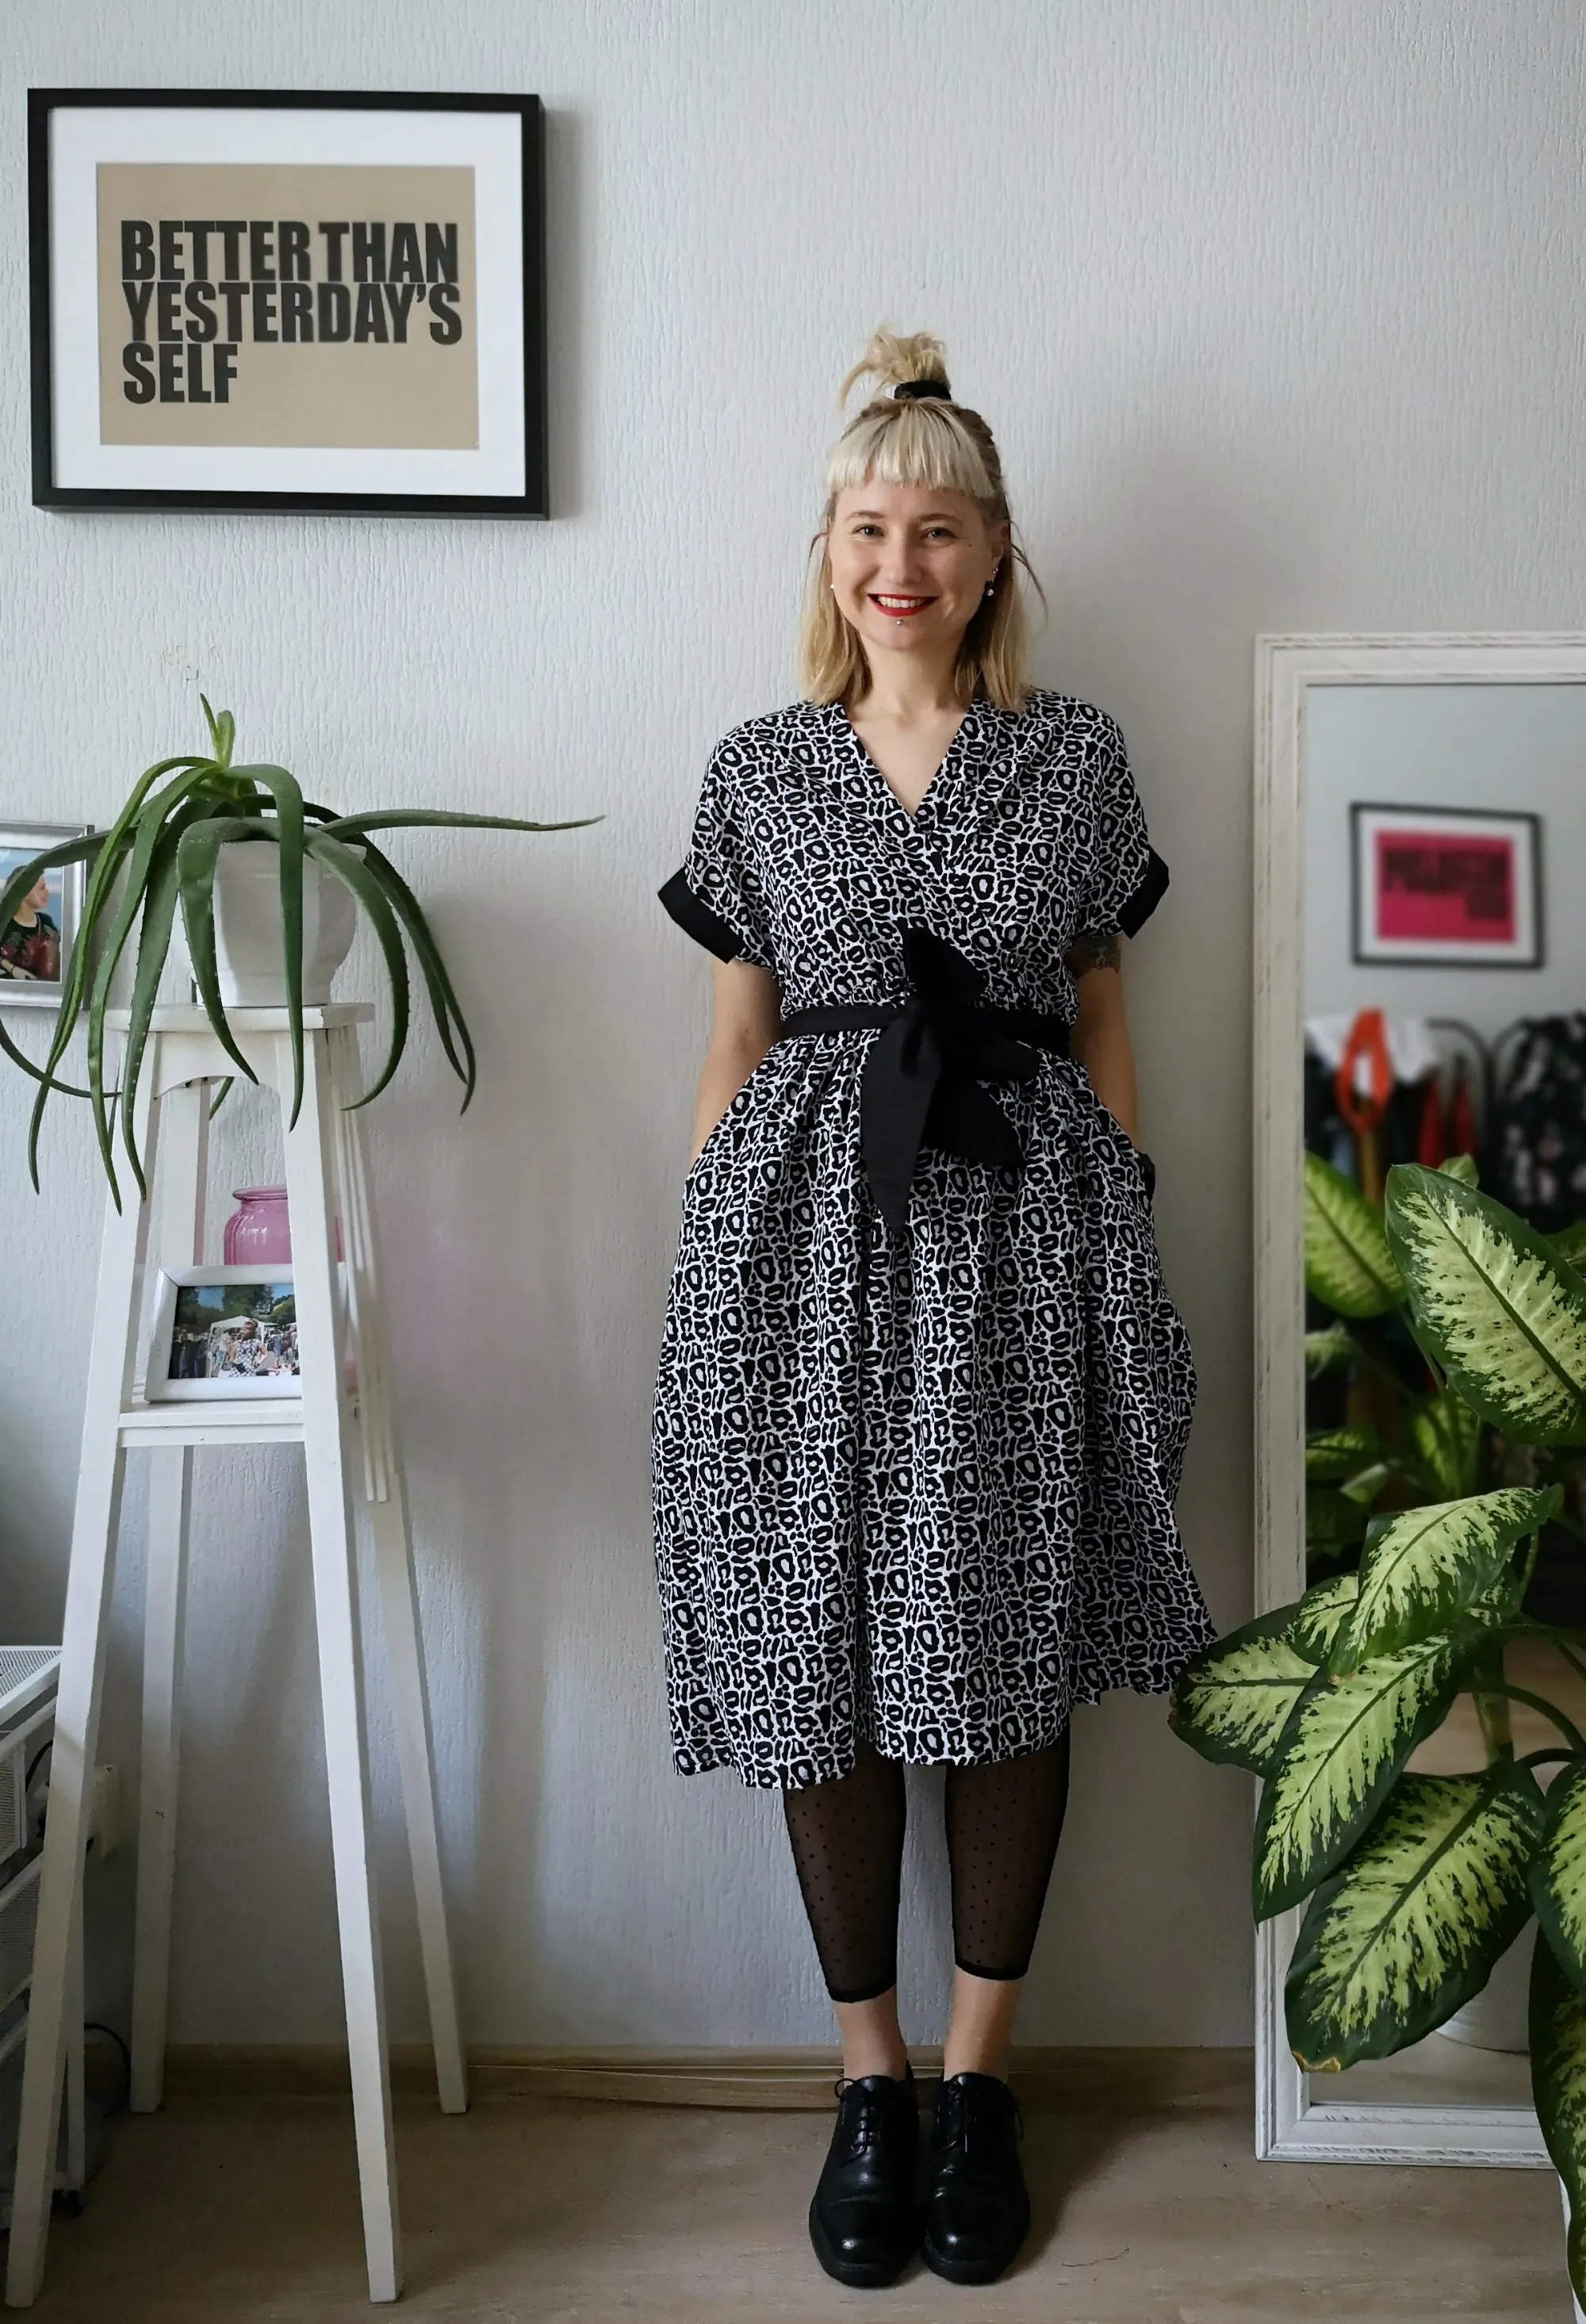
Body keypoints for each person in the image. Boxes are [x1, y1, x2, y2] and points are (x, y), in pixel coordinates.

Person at [652, 327, 1216, 2289]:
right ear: (828, 552)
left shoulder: (1075, 757)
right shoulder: (754, 769)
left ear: (992, 556)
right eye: (865, 526)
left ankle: (980, 2078)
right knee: (811, 1651)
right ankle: (866, 2080)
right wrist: (708, 1256)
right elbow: (731, 1031)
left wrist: (1120, 1211)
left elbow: (1100, 1005)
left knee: (988, 1650)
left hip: (1011, 1245)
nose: (899, 561)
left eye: (938, 527)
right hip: (792, 1258)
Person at [0, 874, 60, 983]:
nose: (48, 892)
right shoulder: (4, 925)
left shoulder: (46, 922)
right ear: (25, 894)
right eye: (42, 888)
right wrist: (12, 969)